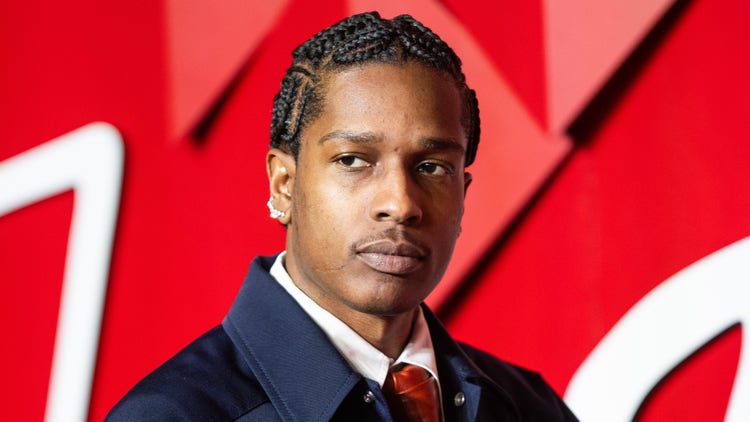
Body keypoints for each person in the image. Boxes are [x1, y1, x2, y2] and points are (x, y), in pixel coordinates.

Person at [107, 11, 578, 421]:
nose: (400, 204)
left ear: (463, 194)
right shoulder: (173, 414)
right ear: (284, 184)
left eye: (432, 167)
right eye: (353, 160)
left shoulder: (530, 407)